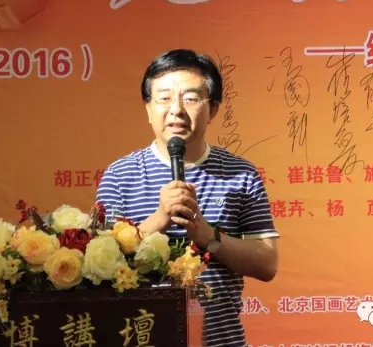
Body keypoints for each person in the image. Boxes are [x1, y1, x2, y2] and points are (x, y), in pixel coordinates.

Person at [96, 49, 279, 347]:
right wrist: (159, 219)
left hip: (220, 341)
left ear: (213, 109)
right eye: (164, 98)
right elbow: (98, 268)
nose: (176, 110)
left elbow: (267, 263)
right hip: (140, 338)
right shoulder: (119, 175)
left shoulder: (240, 174)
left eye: (191, 99)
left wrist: (207, 236)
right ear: (148, 108)